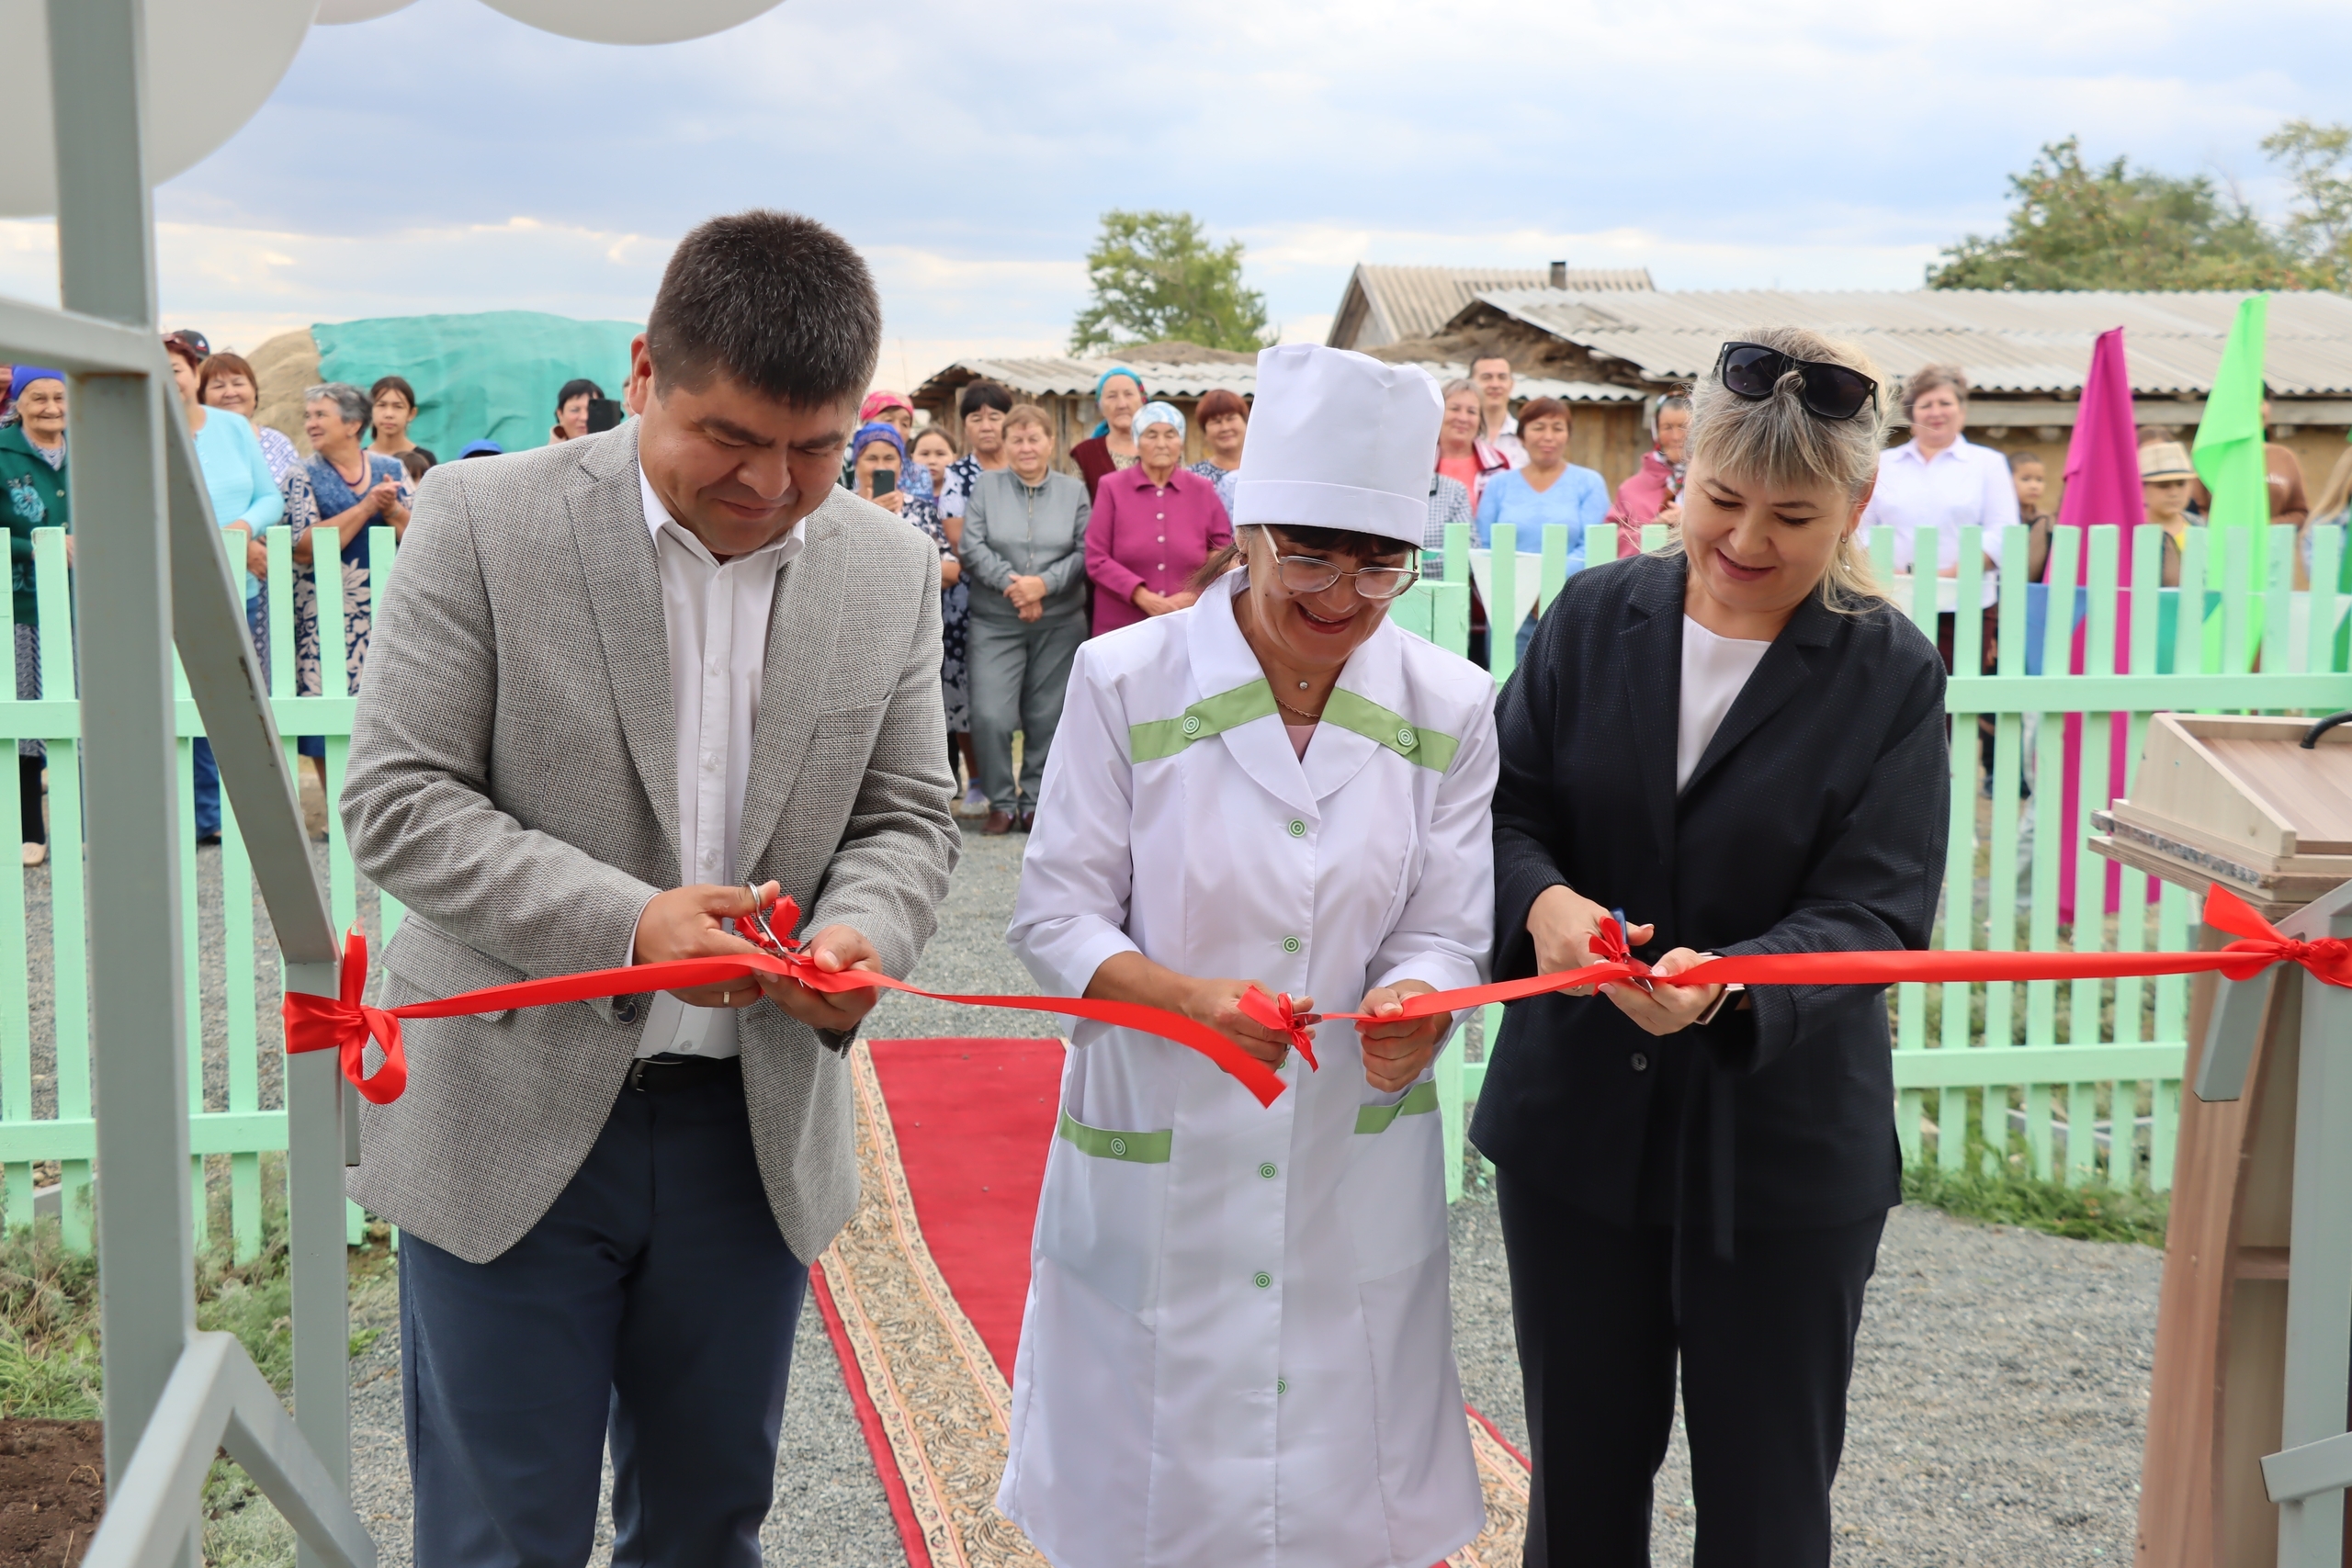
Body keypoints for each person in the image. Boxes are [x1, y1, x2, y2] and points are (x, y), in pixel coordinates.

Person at [341, 209, 960, 1568]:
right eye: (730, 439)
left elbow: (909, 812)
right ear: (642, 373)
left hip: (752, 1125)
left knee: (706, 1519)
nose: (771, 484)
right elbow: (398, 797)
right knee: (502, 1531)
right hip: (506, 1109)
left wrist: (862, 926)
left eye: (813, 448)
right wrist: (630, 923)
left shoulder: (889, 565)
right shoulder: (483, 520)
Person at [1000, 343, 1496, 1568]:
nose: (1341, 592)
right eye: (1309, 555)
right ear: (1251, 532)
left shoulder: (1451, 704)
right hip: (1158, 1128)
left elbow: (1446, 922)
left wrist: (1418, 997)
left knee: (1341, 1482)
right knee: (1144, 1498)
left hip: (1349, 1142)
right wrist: (1182, 1000)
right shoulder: (1126, 678)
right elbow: (1055, 914)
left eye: (1378, 561)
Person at [1477, 325, 1948, 1567]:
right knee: (1578, 1489)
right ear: (1677, 474)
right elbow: (1503, 810)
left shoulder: (1888, 669)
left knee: (1766, 1502)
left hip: (1784, 1148)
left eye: (1791, 516)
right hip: (1578, 1125)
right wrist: (1547, 908)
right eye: (1720, 500)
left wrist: (1733, 981)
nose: (1744, 544)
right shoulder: (1591, 617)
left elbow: (1880, 905)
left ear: (1858, 502)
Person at [172, 333, 285, 846]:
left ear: (193, 373)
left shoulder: (234, 428)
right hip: (167, 588)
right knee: (177, 698)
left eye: (177, 367)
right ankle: (194, 814)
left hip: (239, 585)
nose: (170, 377)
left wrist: (242, 527)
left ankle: (233, 812)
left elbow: (270, 498)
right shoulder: (135, 428)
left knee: (233, 696)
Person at [960, 402, 1089, 833]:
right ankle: (1000, 801)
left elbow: (1085, 549)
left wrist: (1045, 586)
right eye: (1017, 439)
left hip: (1060, 619)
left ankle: (1034, 801)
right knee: (991, 715)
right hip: (996, 619)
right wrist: (1016, 587)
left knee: (1047, 715)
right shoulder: (986, 486)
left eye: (1035, 438)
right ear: (1006, 443)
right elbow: (972, 546)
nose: (1026, 447)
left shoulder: (1074, 492)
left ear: (1051, 443)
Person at [292, 383, 412, 795]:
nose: (310, 424)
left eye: (319, 415)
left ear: (353, 424)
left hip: (388, 609)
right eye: (308, 416)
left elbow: (421, 533)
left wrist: (392, 509)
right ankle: (334, 808)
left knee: (387, 708)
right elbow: (304, 546)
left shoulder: (392, 471)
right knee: (323, 711)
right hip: (323, 611)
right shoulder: (302, 474)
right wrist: (365, 507)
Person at [1858, 363, 2014, 652]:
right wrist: (1890, 572)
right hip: (1890, 602)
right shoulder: (1882, 464)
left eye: (1945, 403)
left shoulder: (1989, 464)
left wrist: (1948, 576)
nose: (1936, 412)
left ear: (1962, 410)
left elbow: (2002, 532)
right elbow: (1859, 527)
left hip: (1965, 606)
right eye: (1926, 404)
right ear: (1911, 414)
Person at [1084, 400, 1231, 637]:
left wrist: (1196, 592)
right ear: (1137, 442)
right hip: (1122, 625)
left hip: (1187, 619)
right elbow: (1097, 558)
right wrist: (1142, 596)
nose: (1161, 444)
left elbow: (1223, 551)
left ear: (1180, 442)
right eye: (1151, 435)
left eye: (1170, 434)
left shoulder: (1202, 489)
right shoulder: (1111, 487)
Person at [1, 367, 66, 866]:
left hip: (90, 605)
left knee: (90, 715)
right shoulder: (2, 453)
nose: (50, 407)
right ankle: (29, 829)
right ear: (17, 402)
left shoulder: (94, 451)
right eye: (37, 397)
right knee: (25, 718)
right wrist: (43, 548)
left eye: (60, 397)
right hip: (22, 605)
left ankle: (86, 827)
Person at [1605, 391, 1692, 556]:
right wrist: (1653, 531)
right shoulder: (1630, 489)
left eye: (1684, 426)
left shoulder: (1715, 482)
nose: (1676, 437)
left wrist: (1691, 522)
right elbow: (1608, 539)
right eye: (1667, 427)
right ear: (1655, 431)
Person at [198, 351, 299, 480]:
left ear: (254, 392)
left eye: (238, 384)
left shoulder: (278, 442)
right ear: (202, 397)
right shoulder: (195, 446)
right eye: (218, 386)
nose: (230, 393)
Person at [935, 378, 1012, 528]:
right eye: (976, 419)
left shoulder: (1025, 469)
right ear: (965, 426)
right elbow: (958, 539)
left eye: (994, 418)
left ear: (1009, 422)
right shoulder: (956, 475)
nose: (985, 427)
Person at [1435, 377, 1510, 516]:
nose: (1463, 418)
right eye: (1455, 409)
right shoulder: (1420, 460)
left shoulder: (1498, 462)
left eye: (1471, 411)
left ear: (1480, 419)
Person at [1069, 367, 1145, 500]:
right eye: (1111, 396)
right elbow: (1076, 512)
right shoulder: (1084, 455)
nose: (1122, 404)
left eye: (1129, 394)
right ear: (1100, 406)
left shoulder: (1164, 448)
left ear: (1143, 401)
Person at [2141, 439, 2199, 588]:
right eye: (2163, 486)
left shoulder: (2201, 527)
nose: (2174, 493)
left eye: (2181, 484)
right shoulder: (2133, 531)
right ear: (2141, 489)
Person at [1184, 386, 1248, 513]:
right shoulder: (1192, 477)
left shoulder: (1263, 472)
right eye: (1216, 421)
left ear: (1246, 422)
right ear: (1205, 432)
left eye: (1231, 418)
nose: (1225, 427)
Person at [2009, 447, 2055, 583]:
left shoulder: (2047, 521)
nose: (2034, 486)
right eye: (2026, 479)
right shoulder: (1998, 519)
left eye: (2039, 480)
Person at [368, 376, 435, 468]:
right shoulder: (359, 460)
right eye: (381, 405)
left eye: (398, 406)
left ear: (411, 413)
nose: (389, 414)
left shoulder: (425, 459)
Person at [1473, 353, 1527, 467]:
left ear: (1512, 385)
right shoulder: (1459, 435)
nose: (1495, 384)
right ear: (1471, 383)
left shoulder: (1525, 438)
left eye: (1502, 377)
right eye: (1486, 377)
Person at [549, 378, 604, 443]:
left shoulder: (615, 450)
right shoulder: (545, 453)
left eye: (591, 410)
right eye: (575, 410)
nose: (584, 417)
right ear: (560, 414)